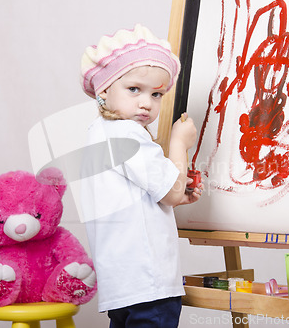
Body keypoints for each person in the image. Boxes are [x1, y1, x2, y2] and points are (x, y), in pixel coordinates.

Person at [79, 24, 203, 327]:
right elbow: (171, 192)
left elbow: (139, 199)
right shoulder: (128, 135)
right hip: (149, 283)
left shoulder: (98, 133)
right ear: (104, 89)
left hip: (122, 284)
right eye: (134, 89)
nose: (147, 103)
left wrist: (175, 197)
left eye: (157, 94)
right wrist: (179, 143)